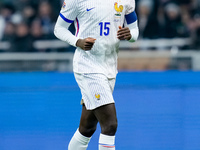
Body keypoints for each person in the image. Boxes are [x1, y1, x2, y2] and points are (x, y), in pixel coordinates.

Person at [54, 0, 139, 149]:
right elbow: (59, 28)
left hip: (110, 67)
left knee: (87, 128)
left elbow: (135, 30)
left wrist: (130, 35)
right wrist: (77, 41)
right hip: (87, 66)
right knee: (110, 124)